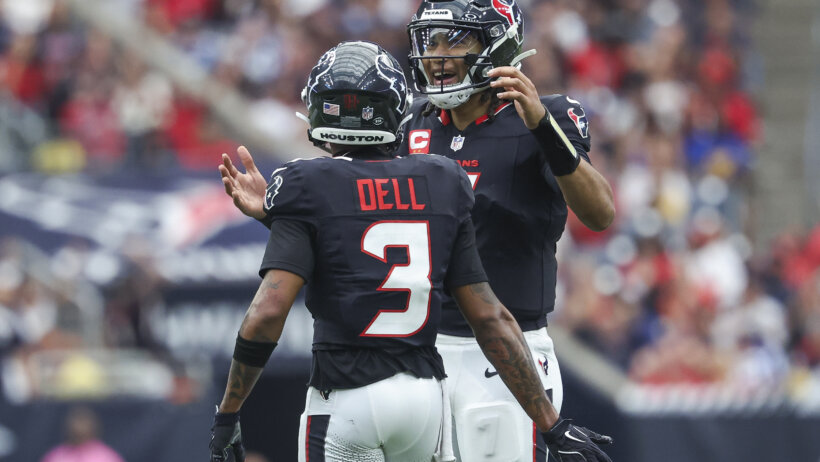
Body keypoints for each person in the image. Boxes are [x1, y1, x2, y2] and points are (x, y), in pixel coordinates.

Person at [211, 41, 613, 462]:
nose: (438, 54)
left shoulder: (303, 184)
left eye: (453, 42)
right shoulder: (441, 177)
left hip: (349, 392)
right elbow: (489, 313)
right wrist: (551, 423)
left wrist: (227, 415)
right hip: (425, 387)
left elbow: (270, 308)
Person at [40, 406, 125, 462]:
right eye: (76, 421)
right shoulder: (56, 456)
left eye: (83, 421)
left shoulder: (107, 457)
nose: (78, 427)